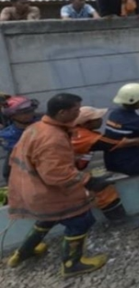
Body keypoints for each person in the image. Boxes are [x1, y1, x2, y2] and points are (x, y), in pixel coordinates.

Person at [6, 93, 110, 277]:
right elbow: (56, 175)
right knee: (81, 220)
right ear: (62, 112)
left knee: (48, 218)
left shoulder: (37, 127)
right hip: (47, 190)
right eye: (76, 110)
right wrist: (90, 181)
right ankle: (72, 264)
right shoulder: (52, 137)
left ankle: (23, 252)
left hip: (29, 187)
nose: (79, 113)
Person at [71, 106, 139, 223]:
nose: (101, 120)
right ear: (88, 123)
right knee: (102, 188)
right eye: (98, 118)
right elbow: (118, 144)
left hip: (70, 171)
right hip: (66, 175)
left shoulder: (78, 132)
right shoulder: (86, 137)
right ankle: (119, 219)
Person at [0, 96, 40, 180]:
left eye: (31, 110)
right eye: (24, 113)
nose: (29, 114)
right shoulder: (8, 135)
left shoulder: (43, 123)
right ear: (12, 116)